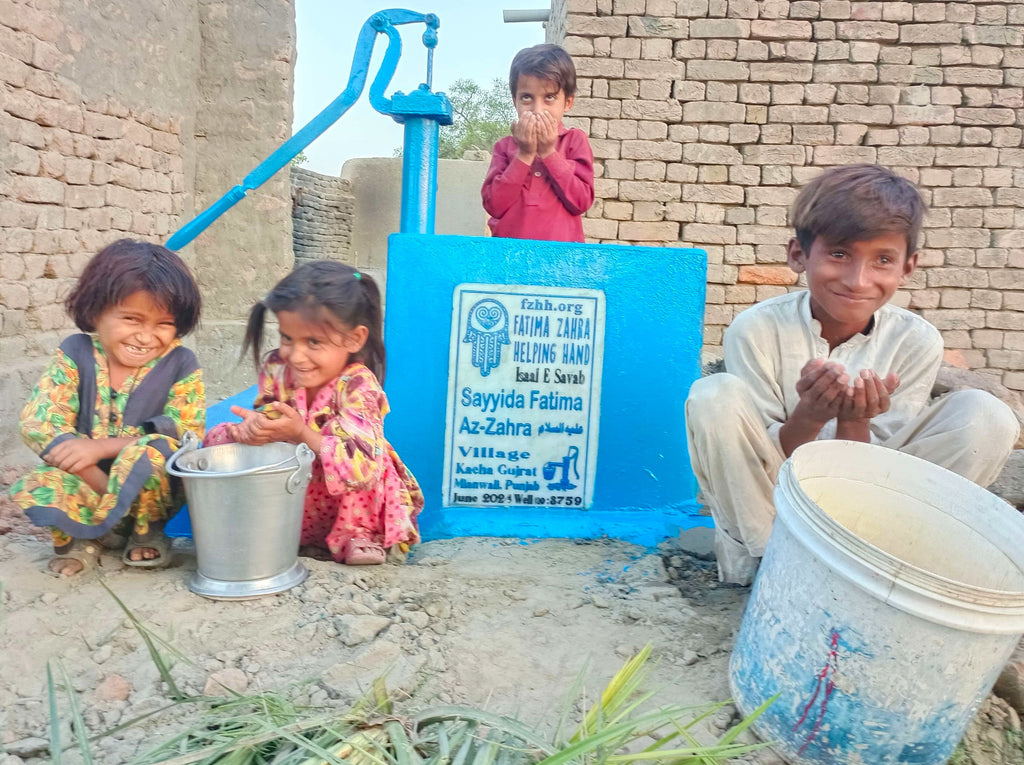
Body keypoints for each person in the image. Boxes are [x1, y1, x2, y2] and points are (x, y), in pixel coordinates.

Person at [685, 164, 1020, 586]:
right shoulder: (756, 329)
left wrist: (855, 419)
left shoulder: (915, 341)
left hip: (868, 512)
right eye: (839, 254)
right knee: (714, 396)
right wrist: (808, 415)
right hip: (770, 517)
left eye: (883, 260)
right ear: (798, 255)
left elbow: (868, 475)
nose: (858, 280)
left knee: (986, 415)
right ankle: (776, 568)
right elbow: (759, 464)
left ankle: (881, 562)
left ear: (907, 267)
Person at [204, 261, 423, 565]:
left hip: (347, 507)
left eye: (314, 342)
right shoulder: (278, 368)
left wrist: (302, 434)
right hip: (293, 504)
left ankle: (357, 534)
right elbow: (268, 416)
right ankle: (273, 531)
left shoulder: (358, 384)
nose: (296, 355)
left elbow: (362, 468)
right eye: (287, 338)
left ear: (354, 339)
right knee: (218, 439)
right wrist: (254, 429)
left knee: (371, 458)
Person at [10, 239, 205, 576]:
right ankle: (85, 539)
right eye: (132, 318)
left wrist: (100, 447)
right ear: (96, 311)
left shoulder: (181, 362)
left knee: (155, 450)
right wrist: (87, 467)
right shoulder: (75, 352)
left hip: (150, 496)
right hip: (86, 483)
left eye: (163, 324)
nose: (146, 337)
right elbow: (40, 420)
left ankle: (146, 531)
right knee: (47, 475)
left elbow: (186, 428)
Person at [481, 43, 594, 242]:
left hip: (561, 263)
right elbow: (494, 205)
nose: (537, 109)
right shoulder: (504, 147)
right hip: (509, 259)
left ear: (568, 102)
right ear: (514, 100)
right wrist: (524, 154)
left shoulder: (574, 141)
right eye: (526, 97)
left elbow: (581, 201)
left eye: (549, 97)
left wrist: (549, 152)